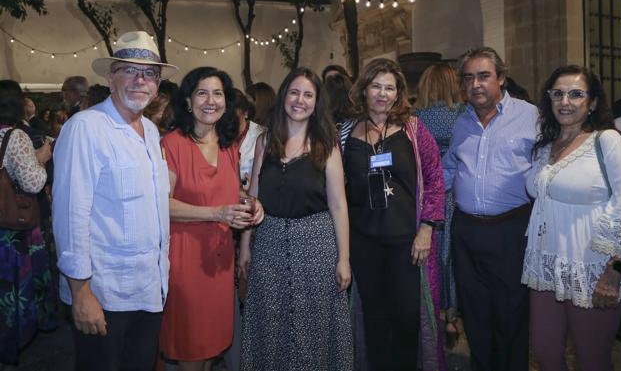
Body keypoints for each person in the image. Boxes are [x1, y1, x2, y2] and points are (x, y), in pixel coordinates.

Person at [521, 65, 621, 371]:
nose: (565, 101)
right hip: (545, 266)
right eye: (557, 94)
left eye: (576, 94)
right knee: (545, 354)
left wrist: (615, 273)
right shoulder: (544, 146)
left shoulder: (607, 141)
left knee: (592, 360)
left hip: (595, 270)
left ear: (593, 102)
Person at [52, 30, 176, 371]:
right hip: (104, 295)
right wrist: (81, 294)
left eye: (149, 73)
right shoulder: (85, 128)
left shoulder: (150, 131)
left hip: (149, 289)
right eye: (129, 70)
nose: (140, 80)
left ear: (158, 84)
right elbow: (69, 217)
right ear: (110, 78)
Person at [239, 67, 352, 371]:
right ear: (284, 96)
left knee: (312, 329)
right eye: (294, 92)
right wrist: (246, 247)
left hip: (316, 245)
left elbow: (339, 204)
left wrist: (344, 259)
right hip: (269, 244)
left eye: (308, 95)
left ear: (317, 103)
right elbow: (254, 195)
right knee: (271, 326)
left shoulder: (326, 145)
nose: (299, 100)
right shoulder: (265, 141)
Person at [341, 58, 445, 371]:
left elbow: (435, 178)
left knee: (406, 317)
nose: (383, 94)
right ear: (364, 90)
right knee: (374, 318)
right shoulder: (344, 133)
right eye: (376, 86)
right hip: (363, 243)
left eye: (390, 88)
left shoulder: (413, 129)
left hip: (407, 243)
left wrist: (427, 227)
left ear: (399, 93)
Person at [158, 67, 262, 371]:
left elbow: (231, 196)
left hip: (219, 262)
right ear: (188, 101)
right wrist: (215, 213)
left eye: (217, 93)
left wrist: (253, 205)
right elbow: (161, 205)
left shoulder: (229, 146)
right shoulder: (173, 144)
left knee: (211, 350)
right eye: (201, 93)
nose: (210, 100)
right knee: (191, 350)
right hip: (185, 260)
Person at [443, 47, 538, 371]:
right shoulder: (461, 122)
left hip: (511, 231)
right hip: (467, 232)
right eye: (468, 78)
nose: (476, 84)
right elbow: (448, 171)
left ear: (501, 78)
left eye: (484, 76)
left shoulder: (531, 116)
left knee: (511, 314)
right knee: (475, 313)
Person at [0, 80, 57, 366]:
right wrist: (42, 159)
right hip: (13, 228)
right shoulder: (16, 137)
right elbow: (32, 183)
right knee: (13, 286)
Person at [414, 62, 465, 348]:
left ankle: (432, 312)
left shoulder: (415, 118)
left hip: (426, 197)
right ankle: (453, 315)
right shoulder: (461, 115)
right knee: (452, 257)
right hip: (456, 195)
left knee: (431, 258)